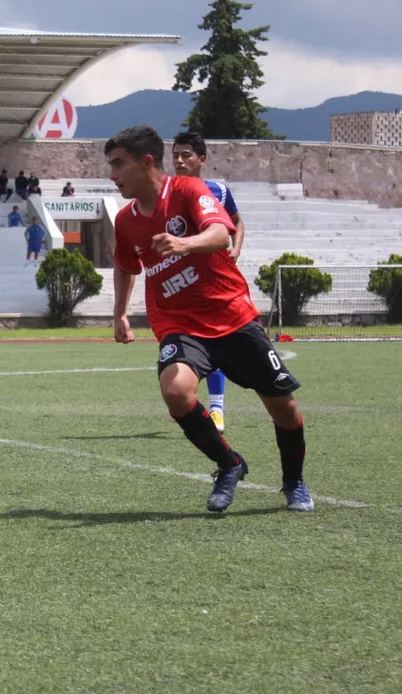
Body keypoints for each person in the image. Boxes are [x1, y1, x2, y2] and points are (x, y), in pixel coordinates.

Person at [105, 124, 311, 513]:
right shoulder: (126, 219)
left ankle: (294, 482)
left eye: (118, 164)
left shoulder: (189, 191)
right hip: (179, 324)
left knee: (284, 408)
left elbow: (220, 234)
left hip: (232, 317)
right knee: (175, 391)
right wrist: (120, 313)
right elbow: (124, 265)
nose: (112, 175)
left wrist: (184, 243)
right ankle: (229, 464)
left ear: (146, 162)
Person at [172, 131, 247, 434]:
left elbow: (237, 222)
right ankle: (184, 400)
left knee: (212, 343)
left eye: (186, 155)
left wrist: (236, 249)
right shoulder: (166, 192)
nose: (178, 161)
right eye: (175, 155)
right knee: (178, 346)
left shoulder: (219, 191)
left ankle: (216, 407)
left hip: (213, 283)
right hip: (178, 284)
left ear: (201, 160)